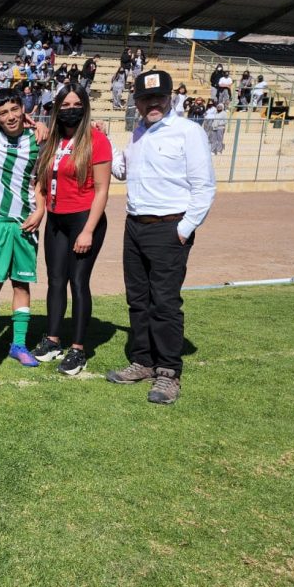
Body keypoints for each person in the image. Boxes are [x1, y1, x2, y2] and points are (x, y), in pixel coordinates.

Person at [107, 70, 216, 405]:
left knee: (165, 303)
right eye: (145, 97)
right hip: (135, 225)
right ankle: (142, 360)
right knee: (138, 299)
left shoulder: (189, 132)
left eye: (158, 96)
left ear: (170, 98)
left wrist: (183, 230)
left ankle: (168, 372)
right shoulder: (138, 132)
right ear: (136, 101)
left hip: (168, 228)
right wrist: (107, 148)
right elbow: (124, 172)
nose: (152, 103)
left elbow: (204, 187)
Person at [28, 84, 111, 375]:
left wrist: (88, 230)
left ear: (85, 107)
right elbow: (41, 179)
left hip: (84, 219)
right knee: (55, 280)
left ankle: (77, 348)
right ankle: (52, 339)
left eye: (76, 104)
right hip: (56, 219)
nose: (70, 109)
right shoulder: (53, 141)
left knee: (78, 282)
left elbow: (101, 190)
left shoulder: (96, 140)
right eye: (64, 105)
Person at [0, 88, 43, 368]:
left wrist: (41, 209)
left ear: (23, 110)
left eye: (15, 109)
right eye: (3, 112)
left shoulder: (38, 138)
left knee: (21, 283)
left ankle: (18, 344)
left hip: (26, 221)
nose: (11, 116)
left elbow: (41, 179)